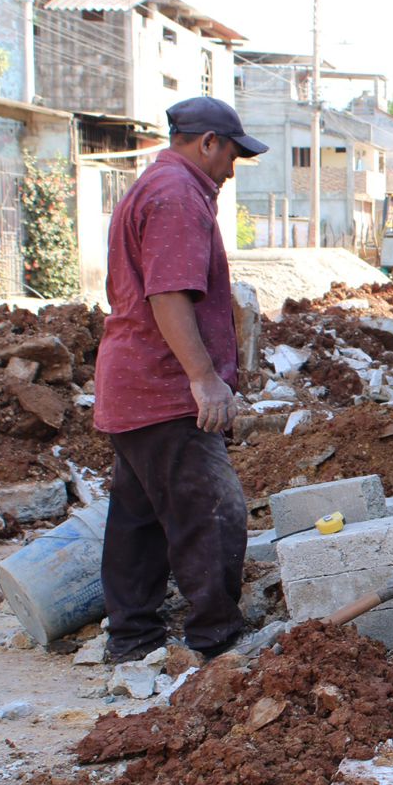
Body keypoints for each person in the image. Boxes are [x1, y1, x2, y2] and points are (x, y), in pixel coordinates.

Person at [92, 97, 267, 664]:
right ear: (207, 142)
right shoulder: (177, 195)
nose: (232, 168)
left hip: (134, 384)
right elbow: (168, 293)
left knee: (139, 518)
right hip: (164, 387)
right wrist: (204, 379)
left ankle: (133, 638)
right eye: (232, 154)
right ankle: (215, 643)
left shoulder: (158, 185)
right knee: (213, 511)